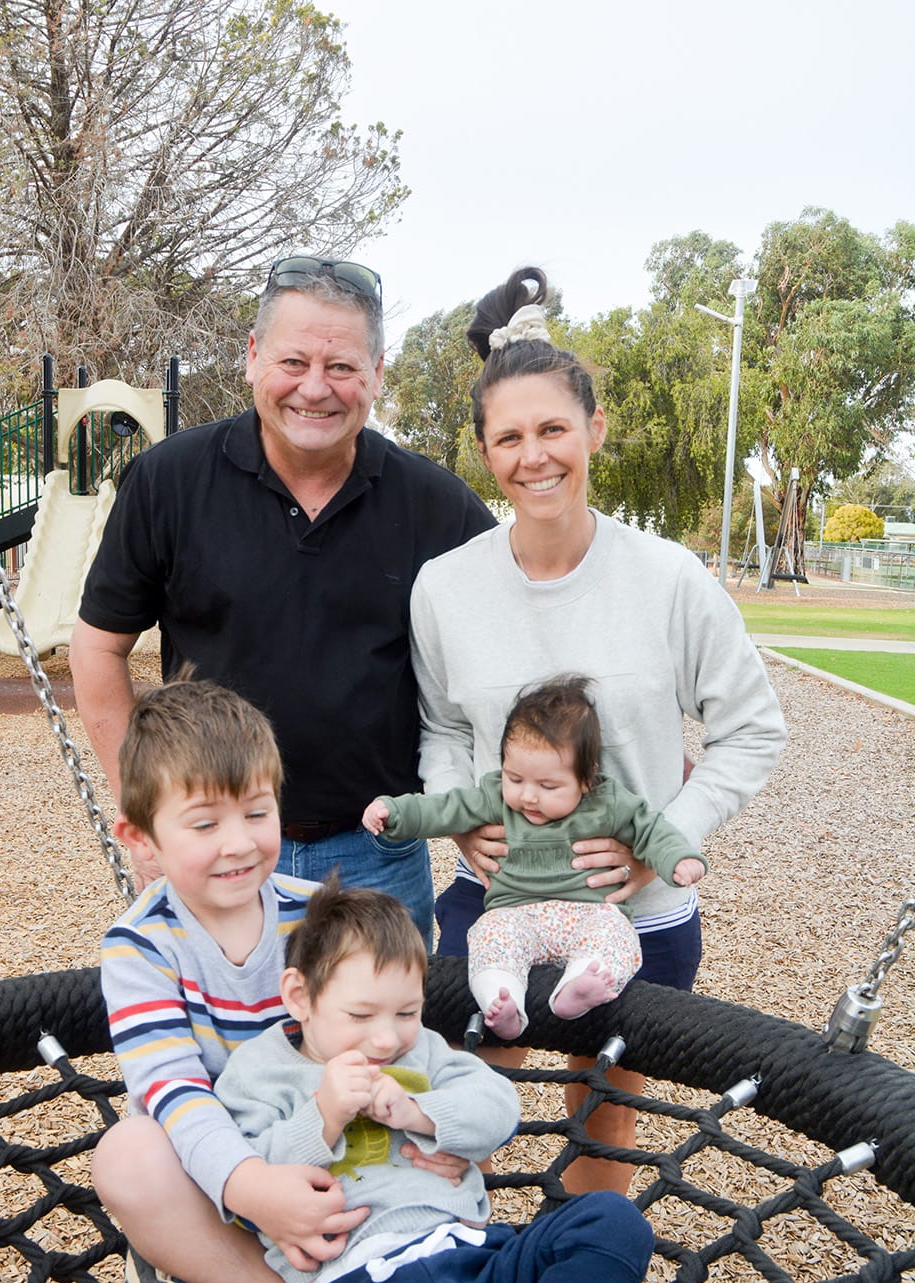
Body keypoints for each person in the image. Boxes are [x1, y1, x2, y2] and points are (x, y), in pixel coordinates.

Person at [409, 266, 787, 1191]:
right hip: (491, 903)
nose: (534, 456)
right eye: (510, 438)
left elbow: (752, 730)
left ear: (594, 431)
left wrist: (667, 843)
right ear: (484, 454)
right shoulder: (445, 587)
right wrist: (457, 815)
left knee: (603, 1120)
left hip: (638, 915)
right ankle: (442, 1266)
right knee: (458, 1108)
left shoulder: (669, 580)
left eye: (553, 430)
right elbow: (441, 727)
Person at [214, 877, 698, 1283]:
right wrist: (323, 1117)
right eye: (360, 1015)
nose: (387, 1038)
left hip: (473, 1262)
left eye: (406, 1012)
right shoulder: (256, 1075)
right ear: (300, 997)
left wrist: (422, 1113)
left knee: (610, 1221)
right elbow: (246, 1184)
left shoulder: (425, 1054)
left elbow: (498, 1106)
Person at [69, 255, 495, 947]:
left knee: (377, 1053)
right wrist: (148, 810)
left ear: (377, 373)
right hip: (214, 842)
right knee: (216, 1051)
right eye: (293, 361)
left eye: (343, 368)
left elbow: (515, 639)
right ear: (252, 357)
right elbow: (98, 646)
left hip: (375, 852)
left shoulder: (437, 506)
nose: (316, 389)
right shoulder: (167, 482)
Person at [91, 675, 459, 1283]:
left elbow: (389, 1036)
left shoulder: (319, 917)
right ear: (141, 839)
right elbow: (173, 1095)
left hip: (321, 1148)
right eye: (204, 825)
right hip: (216, 1173)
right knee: (127, 1155)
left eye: (257, 813)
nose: (238, 844)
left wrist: (430, 1123)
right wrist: (251, 1186)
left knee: (412, 1216)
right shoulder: (140, 948)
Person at [363, 675, 706, 1040]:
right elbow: (443, 808)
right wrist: (395, 812)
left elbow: (651, 830)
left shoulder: (607, 802)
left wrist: (678, 859)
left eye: (548, 786)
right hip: (516, 913)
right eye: (515, 778)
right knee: (490, 937)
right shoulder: (494, 796)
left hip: (588, 912)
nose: (528, 796)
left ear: (586, 780)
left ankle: (580, 984)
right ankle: (501, 998)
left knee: (615, 933)